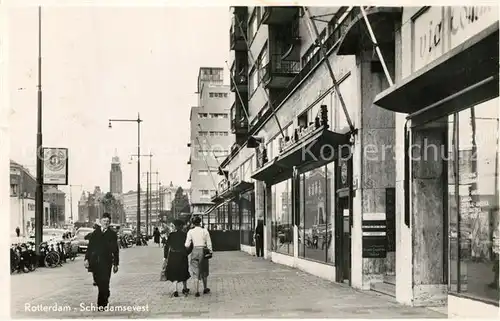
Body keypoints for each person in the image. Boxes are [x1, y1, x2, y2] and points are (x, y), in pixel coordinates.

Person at [84, 213, 119, 309]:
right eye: (104, 221)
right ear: (101, 222)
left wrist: (116, 264)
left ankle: (101, 304)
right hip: (95, 262)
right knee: (99, 282)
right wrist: (86, 259)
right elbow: (90, 247)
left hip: (107, 262)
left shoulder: (112, 234)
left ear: (109, 222)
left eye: (108, 221)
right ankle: (106, 293)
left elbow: (116, 250)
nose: (106, 223)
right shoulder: (95, 233)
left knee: (105, 281)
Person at [185, 216, 212, 297]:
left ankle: (196, 291)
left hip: (195, 251)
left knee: (195, 271)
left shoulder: (190, 231)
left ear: (193, 223)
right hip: (203, 251)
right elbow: (209, 243)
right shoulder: (205, 231)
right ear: (200, 222)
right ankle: (205, 288)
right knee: (204, 270)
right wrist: (210, 251)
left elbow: (187, 244)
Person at [163, 220, 191, 296]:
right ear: (182, 227)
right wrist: (186, 253)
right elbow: (190, 246)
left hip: (173, 255)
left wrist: (165, 257)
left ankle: (175, 290)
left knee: (174, 271)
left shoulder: (171, 235)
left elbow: (166, 247)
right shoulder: (185, 235)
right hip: (182, 255)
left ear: (175, 227)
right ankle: (185, 288)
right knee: (184, 271)